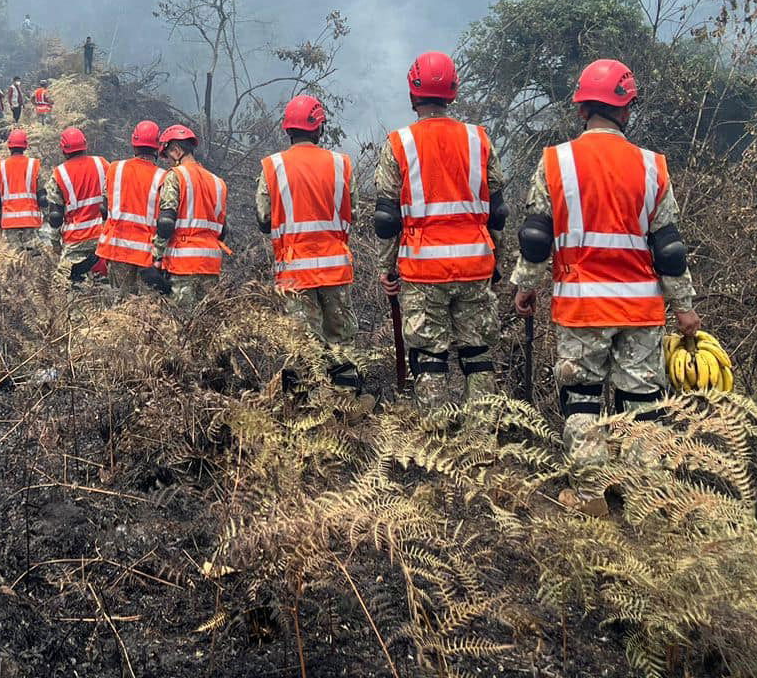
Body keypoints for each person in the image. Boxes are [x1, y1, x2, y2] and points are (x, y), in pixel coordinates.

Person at [510, 59, 701, 510]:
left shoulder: (555, 161)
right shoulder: (652, 167)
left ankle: (591, 494)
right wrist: (685, 307)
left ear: (582, 111)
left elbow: (536, 237)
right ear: (627, 109)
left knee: (581, 401)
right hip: (640, 310)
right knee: (643, 405)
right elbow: (668, 247)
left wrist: (525, 285)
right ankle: (642, 498)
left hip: (582, 309)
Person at [374, 52, 506, 412]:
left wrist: (387, 269)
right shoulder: (479, 139)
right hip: (476, 266)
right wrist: (497, 261)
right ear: (453, 92)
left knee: (429, 357)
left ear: (412, 94)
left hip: (422, 270)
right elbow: (499, 213)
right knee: (477, 354)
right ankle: (481, 438)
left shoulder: (399, 143)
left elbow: (386, 219)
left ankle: (435, 439)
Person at [257, 95, 364, 394]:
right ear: (319, 128)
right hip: (335, 270)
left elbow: (264, 218)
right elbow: (352, 213)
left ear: (288, 129)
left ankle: (303, 411)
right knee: (340, 343)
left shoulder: (272, 166)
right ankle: (347, 409)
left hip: (294, 274)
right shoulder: (340, 164)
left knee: (301, 346)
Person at [148, 124, 227, 306]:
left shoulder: (175, 176)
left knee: (182, 322)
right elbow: (222, 230)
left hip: (183, 264)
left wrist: (157, 256)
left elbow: (166, 222)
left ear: (176, 150)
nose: (168, 161)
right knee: (208, 323)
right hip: (211, 264)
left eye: (167, 156)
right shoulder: (218, 182)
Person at [96, 121, 168, 296]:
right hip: (147, 255)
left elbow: (104, 208)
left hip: (117, 248)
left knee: (120, 305)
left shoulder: (115, 169)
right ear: (158, 147)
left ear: (133, 143)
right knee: (145, 311)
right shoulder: (164, 177)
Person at [45, 127, 109, 285]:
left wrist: (54, 242)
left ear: (63, 149)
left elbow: (55, 215)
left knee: (65, 286)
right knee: (105, 285)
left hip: (76, 240)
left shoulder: (59, 173)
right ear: (85, 145)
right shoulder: (102, 163)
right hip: (103, 236)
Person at [0, 128, 45, 247]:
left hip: (9, 222)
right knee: (32, 258)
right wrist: (47, 217)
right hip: (31, 221)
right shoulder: (34, 164)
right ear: (25, 146)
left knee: (13, 258)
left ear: (9, 146)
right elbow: (42, 196)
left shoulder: (0, 166)